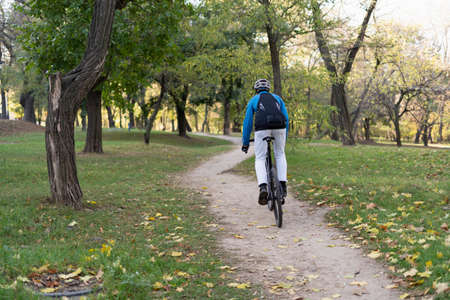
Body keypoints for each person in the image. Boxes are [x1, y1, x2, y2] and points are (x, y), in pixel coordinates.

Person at [241, 79, 289, 205]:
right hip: (280, 127)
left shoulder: (253, 100)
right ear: (268, 89)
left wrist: (245, 142)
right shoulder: (278, 98)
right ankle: (283, 185)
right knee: (280, 154)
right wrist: (284, 136)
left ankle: (263, 187)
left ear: (256, 90)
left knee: (260, 158)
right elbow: (286, 118)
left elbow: (247, 123)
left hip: (262, 129)